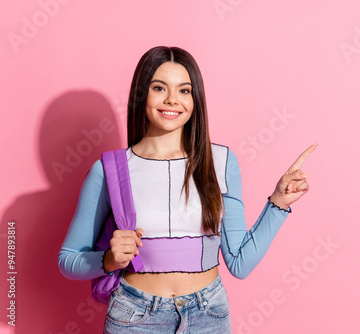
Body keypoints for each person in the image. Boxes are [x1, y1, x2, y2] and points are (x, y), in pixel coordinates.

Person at [58, 46, 316, 333]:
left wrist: (278, 203)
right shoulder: (110, 170)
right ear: (141, 93)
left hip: (209, 315)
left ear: (196, 99)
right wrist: (108, 260)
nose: (172, 100)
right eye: (159, 88)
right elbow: (68, 259)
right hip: (135, 318)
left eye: (184, 90)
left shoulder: (221, 162)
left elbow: (240, 263)